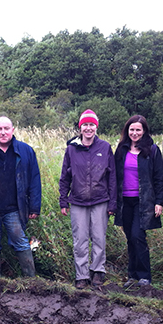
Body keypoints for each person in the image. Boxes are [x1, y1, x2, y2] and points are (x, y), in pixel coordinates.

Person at [0, 116, 42, 278]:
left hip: (14, 209)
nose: (3, 132)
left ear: (13, 130)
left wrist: (34, 206)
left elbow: (34, 179)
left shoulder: (25, 151)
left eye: (6, 129)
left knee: (21, 243)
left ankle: (31, 280)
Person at [59, 109, 116, 289]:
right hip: (77, 201)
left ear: (96, 127)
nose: (88, 128)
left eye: (92, 124)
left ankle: (98, 270)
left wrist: (112, 202)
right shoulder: (71, 149)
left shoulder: (105, 147)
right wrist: (63, 200)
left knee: (99, 238)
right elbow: (64, 177)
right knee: (80, 240)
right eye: (85, 125)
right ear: (80, 127)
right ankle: (81, 275)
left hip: (100, 199)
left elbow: (112, 176)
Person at [114, 115, 163, 287]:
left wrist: (159, 202)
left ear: (144, 131)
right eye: (132, 129)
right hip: (124, 201)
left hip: (143, 201)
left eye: (138, 130)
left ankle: (144, 276)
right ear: (127, 131)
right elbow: (114, 177)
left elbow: (159, 178)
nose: (134, 133)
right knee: (130, 238)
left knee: (138, 235)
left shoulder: (152, 151)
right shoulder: (121, 150)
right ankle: (132, 275)